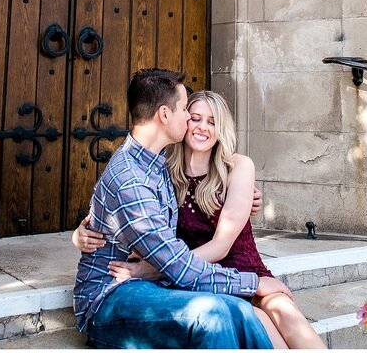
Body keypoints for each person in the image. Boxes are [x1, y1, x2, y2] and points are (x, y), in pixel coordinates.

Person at [75, 88, 326, 349]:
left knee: (287, 315)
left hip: (237, 267)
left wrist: (156, 270)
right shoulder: (163, 170)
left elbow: (221, 246)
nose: (202, 127)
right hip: (195, 278)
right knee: (257, 322)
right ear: (180, 120)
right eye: (193, 117)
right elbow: (117, 205)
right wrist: (79, 234)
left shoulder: (237, 166)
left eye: (212, 121)